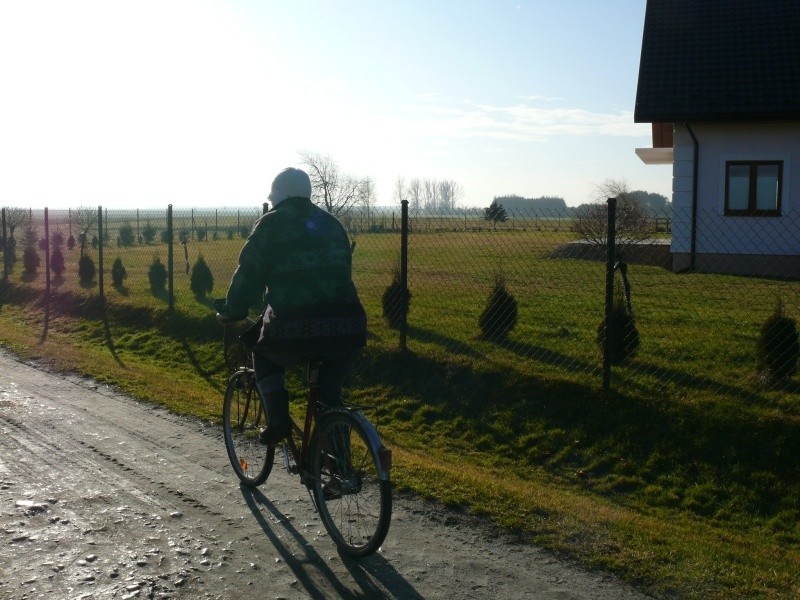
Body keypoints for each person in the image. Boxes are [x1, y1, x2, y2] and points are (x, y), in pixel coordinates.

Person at [215, 167, 367, 444]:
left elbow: (249, 274)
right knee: (328, 394)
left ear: (280, 195)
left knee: (263, 352)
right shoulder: (331, 223)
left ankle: (279, 423)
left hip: (297, 324)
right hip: (349, 326)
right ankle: (337, 459)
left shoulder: (271, 224)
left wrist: (232, 309)